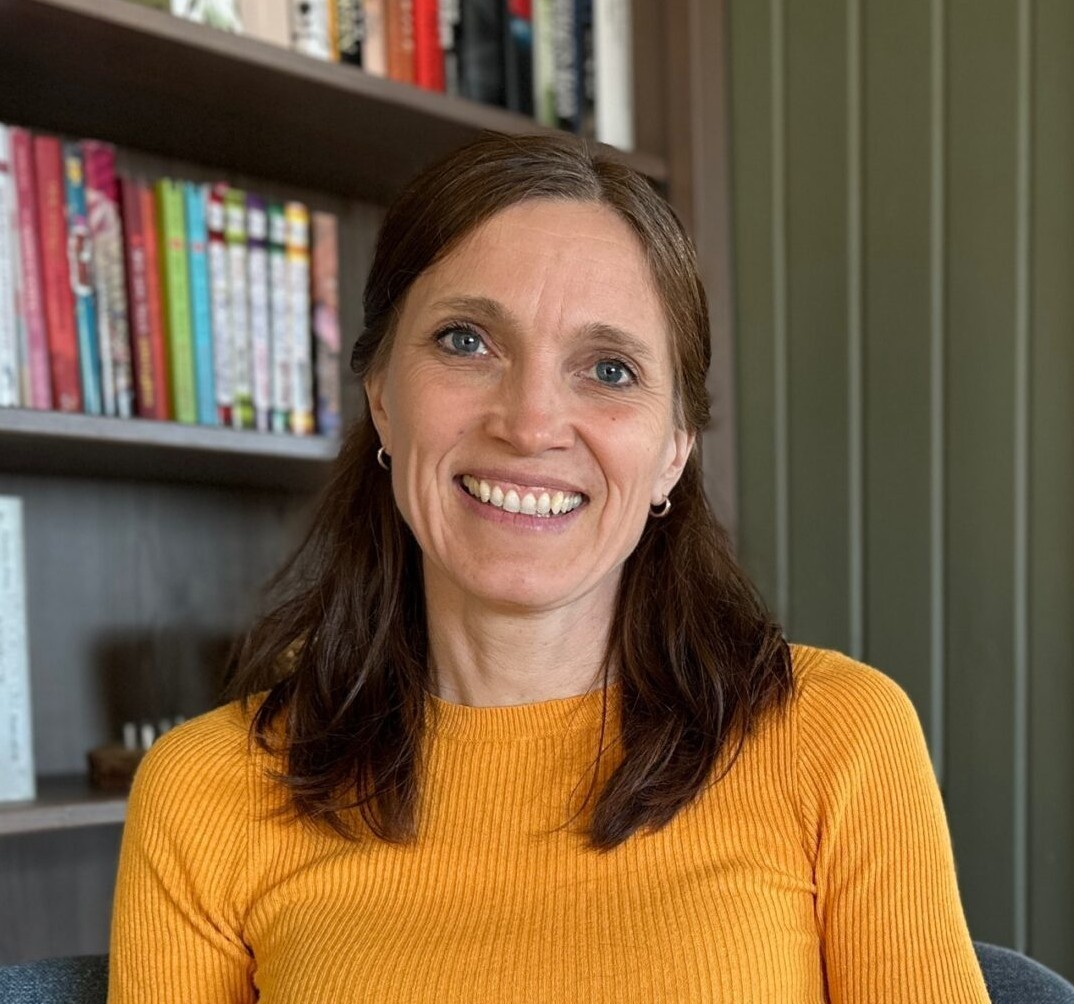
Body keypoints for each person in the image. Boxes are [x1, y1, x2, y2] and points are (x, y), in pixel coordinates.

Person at [108, 132, 990, 1003]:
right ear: (381, 395)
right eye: (465, 341)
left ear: (675, 449)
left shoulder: (837, 740)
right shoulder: (203, 794)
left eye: (609, 369)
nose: (530, 424)